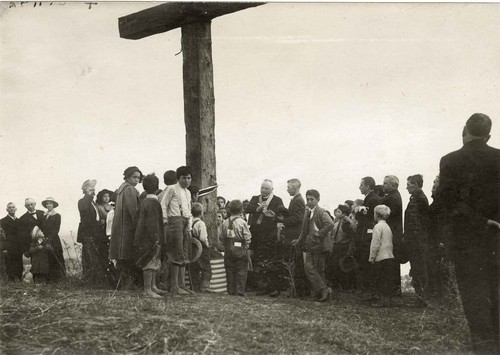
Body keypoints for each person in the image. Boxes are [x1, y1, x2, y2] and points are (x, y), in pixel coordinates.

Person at [438, 113, 500, 353]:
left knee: (474, 299)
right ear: (489, 135)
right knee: (497, 294)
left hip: (467, 241)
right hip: (497, 240)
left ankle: (485, 349)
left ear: (464, 130)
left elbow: (449, 203)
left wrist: (482, 221)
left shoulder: (450, 161)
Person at [292, 189, 333, 302]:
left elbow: (330, 224)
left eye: (312, 199)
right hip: (309, 244)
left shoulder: (321, 212)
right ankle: (323, 290)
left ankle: (321, 292)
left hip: (320, 245)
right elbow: (303, 229)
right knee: (309, 268)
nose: (309, 201)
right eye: (308, 199)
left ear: (318, 200)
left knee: (318, 269)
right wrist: (299, 240)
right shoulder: (307, 212)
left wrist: (319, 234)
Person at [245, 179, 285, 296]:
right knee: (256, 259)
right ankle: (260, 285)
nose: (263, 190)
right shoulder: (254, 198)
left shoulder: (277, 200)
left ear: (272, 190)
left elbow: (282, 215)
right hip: (256, 234)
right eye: (262, 187)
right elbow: (247, 209)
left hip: (269, 235)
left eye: (266, 188)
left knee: (268, 260)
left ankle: (270, 286)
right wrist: (256, 209)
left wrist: (273, 215)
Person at [109, 166, 143, 289]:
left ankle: (123, 284)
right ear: (127, 177)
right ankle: (128, 285)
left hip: (120, 228)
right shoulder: (130, 190)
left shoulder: (121, 189)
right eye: (134, 177)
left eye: (138, 178)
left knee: (122, 257)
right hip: (127, 229)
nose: (137, 180)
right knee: (128, 256)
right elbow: (133, 211)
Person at [163, 166, 194, 295]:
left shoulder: (188, 192)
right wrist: (165, 220)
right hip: (174, 221)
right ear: (178, 178)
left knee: (184, 253)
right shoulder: (171, 189)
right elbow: (164, 204)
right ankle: (174, 286)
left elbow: (189, 210)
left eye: (189, 178)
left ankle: (182, 284)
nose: (187, 181)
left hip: (185, 221)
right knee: (176, 253)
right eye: (184, 178)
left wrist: (189, 225)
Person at [134, 174, 164, 298]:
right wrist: (156, 238)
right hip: (150, 238)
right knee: (149, 262)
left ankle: (152, 286)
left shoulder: (144, 201)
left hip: (144, 237)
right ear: (157, 187)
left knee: (153, 261)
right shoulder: (153, 202)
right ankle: (147, 289)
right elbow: (152, 223)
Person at [278, 178, 308, 297]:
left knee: (296, 263)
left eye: (289, 187)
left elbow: (298, 218)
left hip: (294, 236)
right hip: (293, 235)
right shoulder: (296, 199)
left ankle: (298, 291)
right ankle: (296, 291)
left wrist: (283, 220)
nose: (287, 189)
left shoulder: (298, 200)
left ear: (295, 187)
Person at [403, 175, 430, 306]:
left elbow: (418, 223)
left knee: (419, 269)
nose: (406, 187)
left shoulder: (419, 199)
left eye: (409, 184)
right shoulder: (416, 198)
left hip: (417, 241)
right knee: (417, 268)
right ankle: (420, 297)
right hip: (416, 240)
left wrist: (414, 239)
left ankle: (422, 298)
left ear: (416, 184)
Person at [356, 177, 382, 300]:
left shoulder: (373, 199)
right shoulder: (369, 199)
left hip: (368, 236)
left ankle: (371, 293)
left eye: (361, 185)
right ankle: (368, 292)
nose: (359, 187)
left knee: (368, 263)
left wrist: (360, 213)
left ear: (367, 186)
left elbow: (371, 218)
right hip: (365, 234)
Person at [369, 205, 398, 307]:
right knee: (387, 279)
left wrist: (372, 257)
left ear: (377, 214)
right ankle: (388, 300)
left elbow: (375, 243)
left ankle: (382, 301)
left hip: (381, 257)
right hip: (389, 255)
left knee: (380, 280)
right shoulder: (387, 226)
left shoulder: (377, 227)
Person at [221, 200, 252, 296]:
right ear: (241, 210)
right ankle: (239, 290)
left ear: (229, 210)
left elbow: (221, 237)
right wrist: (246, 247)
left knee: (229, 270)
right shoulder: (242, 223)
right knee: (241, 270)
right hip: (240, 250)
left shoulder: (225, 222)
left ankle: (231, 290)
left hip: (228, 249)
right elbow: (247, 237)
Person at [78, 179, 105, 284]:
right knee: (88, 256)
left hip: (96, 233)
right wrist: (98, 223)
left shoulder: (93, 202)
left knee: (94, 256)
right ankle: (88, 279)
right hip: (88, 233)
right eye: (90, 190)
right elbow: (87, 219)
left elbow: (96, 216)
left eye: (94, 190)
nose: (93, 192)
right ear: (85, 191)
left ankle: (94, 279)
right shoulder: (83, 201)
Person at [382, 175, 403, 295]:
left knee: (390, 262)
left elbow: (386, 215)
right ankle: (395, 289)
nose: (383, 185)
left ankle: (391, 289)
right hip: (394, 233)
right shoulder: (393, 196)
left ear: (393, 185)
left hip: (391, 234)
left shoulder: (392, 198)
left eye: (385, 183)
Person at [327, 204, 356, 292]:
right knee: (334, 265)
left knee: (341, 265)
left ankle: (345, 286)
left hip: (343, 247)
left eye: (339, 211)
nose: (336, 212)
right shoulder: (337, 223)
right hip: (336, 246)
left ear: (344, 214)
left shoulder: (346, 224)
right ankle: (336, 284)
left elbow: (351, 236)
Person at [189, 202, 214, 293]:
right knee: (206, 268)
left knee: (194, 268)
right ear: (201, 213)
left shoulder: (189, 222)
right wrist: (206, 244)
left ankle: (194, 287)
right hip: (201, 248)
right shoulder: (201, 223)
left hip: (192, 248)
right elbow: (203, 237)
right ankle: (205, 286)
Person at [42, 197, 65, 281]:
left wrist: (49, 239)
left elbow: (56, 229)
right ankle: (48, 279)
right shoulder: (43, 215)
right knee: (47, 258)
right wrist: (43, 238)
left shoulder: (57, 216)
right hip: (44, 239)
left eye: (50, 203)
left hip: (53, 240)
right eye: (47, 203)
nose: (48, 205)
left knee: (56, 257)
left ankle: (59, 279)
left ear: (54, 205)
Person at [1, 203, 22, 281]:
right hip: (8, 247)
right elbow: (2, 237)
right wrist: (4, 248)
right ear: (7, 210)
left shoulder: (19, 221)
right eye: (9, 208)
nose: (11, 209)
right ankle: (11, 281)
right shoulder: (2, 221)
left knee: (19, 264)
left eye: (13, 207)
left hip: (18, 247)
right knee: (9, 265)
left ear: (16, 209)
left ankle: (19, 280)